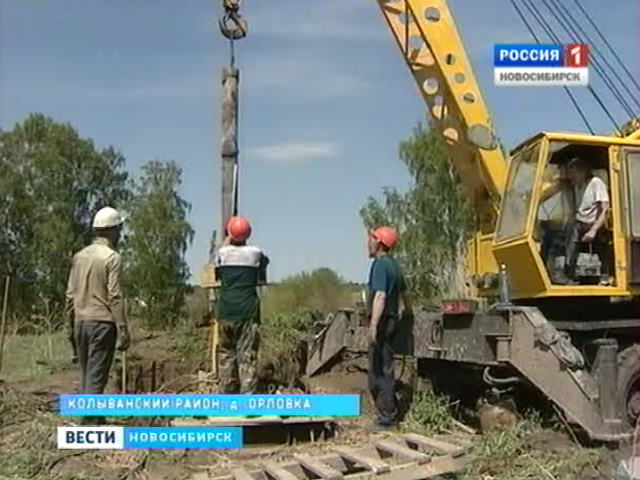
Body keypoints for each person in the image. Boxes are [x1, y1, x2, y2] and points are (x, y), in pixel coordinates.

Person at [65, 206, 131, 425]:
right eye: (119, 228)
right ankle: (89, 424)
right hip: (102, 322)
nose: (121, 232)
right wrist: (123, 327)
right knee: (97, 374)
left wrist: (69, 325)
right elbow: (114, 295)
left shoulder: (79, 256)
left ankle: (95, 416)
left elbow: (69, 295)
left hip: (80, 321)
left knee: (85, 372)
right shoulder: (112, 258)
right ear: (112, 230)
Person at [214, 216, 268, 394]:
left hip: (226, 311)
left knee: (226, 357)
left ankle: (226, 400)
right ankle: (248, 402)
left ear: (229, 234)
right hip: (248, 313)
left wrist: (227, 241)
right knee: (247, 358)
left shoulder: (222, 253)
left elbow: (216, 268)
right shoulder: (256, 254)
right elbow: (263, 268)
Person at [366, 226, 412, 430]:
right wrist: (408, 313)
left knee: (381, 371)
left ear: (380, 243)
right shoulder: (395, 266)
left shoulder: (380, 265)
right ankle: (387, 414)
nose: (368, 243)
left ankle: (387, 418)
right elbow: (406, 293)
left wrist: (374, 325)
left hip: (383, 321)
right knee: (386, 367)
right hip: (393, 319)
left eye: (372, 239)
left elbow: (380, 295)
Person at [563, 157, 611, 284]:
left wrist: (593, 231)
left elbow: (605, 209)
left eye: (573, 173)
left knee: (601, 241)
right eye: (569, 174)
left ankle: (605, 275)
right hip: (580, 223)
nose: (570, 177)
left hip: (595, 223)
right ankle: (569, 273)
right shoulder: (576, 186)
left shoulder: (596, 183)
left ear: (583, 172)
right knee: (562, 231)